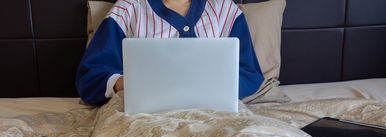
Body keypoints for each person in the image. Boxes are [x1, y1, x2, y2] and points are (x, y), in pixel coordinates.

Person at [76, 0, 265, 106]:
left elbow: (249, 73)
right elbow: (90, 78)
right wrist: (129, 82)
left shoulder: (225, 10)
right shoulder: (127, 10)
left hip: (214, 116)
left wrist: (208, 85)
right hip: (144, 118)